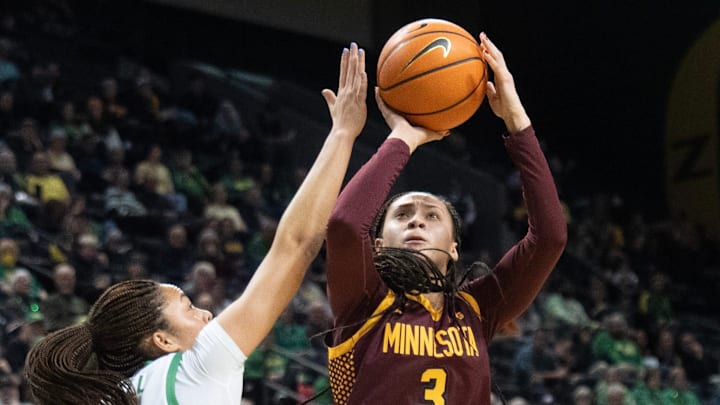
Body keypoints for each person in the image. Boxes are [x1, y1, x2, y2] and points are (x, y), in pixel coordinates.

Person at [23, 42, 368, 405]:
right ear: (164, 340)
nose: (205, 312)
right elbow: (296, 246)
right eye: (187, 306)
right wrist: (343, 133)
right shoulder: (197, 364)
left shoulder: (120, 396)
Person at [324, 33, 567, 404]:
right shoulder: (363, 300)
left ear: (455, 248)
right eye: (402, 214)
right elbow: (343, 225)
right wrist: (403, 137)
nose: (416, 222)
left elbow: (550, 236)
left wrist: (516, 118)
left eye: (432, 216)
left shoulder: (477, 309)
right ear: (377, 244)